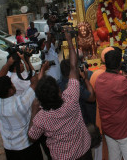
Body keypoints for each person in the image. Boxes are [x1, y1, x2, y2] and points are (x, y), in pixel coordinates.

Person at [28, 29, 92, 160]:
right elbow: (73, 67)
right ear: (59, 91)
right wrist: (69, 40)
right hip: (84, 152)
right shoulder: (71, 98)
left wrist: (34, 111)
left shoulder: (41, 118)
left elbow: (32, 137)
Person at [0, 53, 49, 160]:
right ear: (9, 90)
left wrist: (8, 64)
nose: (13, 85)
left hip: (9, 147)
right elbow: (35, 83)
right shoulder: (20, 103)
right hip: (26, 146)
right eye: (12, 85)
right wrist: (29, 61)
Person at [95, 47, 127, 160]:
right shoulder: (121, 81)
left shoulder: (99, 79)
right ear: (119, 64)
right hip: (125, 130)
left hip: (109, 129)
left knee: (114, 157)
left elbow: (114, 87)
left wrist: (123, 77)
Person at [90, 47, 114, 160]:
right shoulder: (118, 74)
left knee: (102, 145)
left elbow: (91, 96)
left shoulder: (95, 75)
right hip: (116, 117)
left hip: (101, 114)